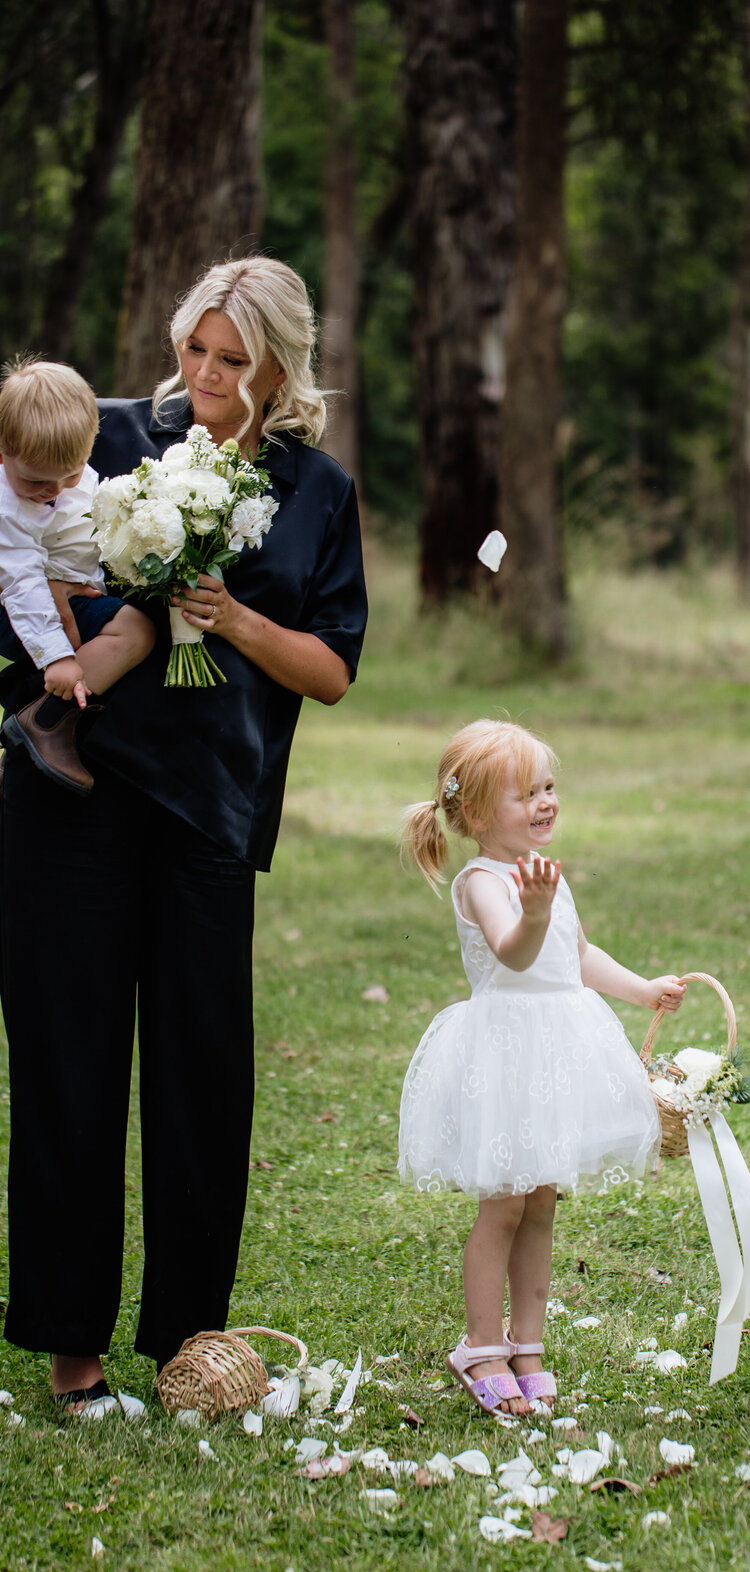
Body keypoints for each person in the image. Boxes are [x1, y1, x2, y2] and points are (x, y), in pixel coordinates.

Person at [0, 257, 368, 1415]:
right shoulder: (107, 436)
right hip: (76, 794)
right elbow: (18, 544)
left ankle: (190, 1351)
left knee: (203, 1077)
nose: (204, 377)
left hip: (215, 809)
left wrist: (232, 616)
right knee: (69, 1062)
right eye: (196, 350)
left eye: (233, 359)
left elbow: (334, 671)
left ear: (280, 365)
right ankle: (73, 1358)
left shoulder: (318, 491)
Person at [398, 720, 686, 1418]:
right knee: (503, 1205)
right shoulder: (483, 883)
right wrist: (532, 909)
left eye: (548, 786)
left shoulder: (543, 875)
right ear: (474, 814)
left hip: (557, 1053)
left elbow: (576, 955)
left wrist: (642, 989)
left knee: (543, 1203)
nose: (545, 802)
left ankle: (528, 1344)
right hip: (506, 1058)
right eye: (525, 794)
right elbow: (515, 952)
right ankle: (480, 1344)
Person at [0, 357, 156, 792]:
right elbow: (22, 586)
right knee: (135, 632)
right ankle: (44, 720)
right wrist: (57, 656)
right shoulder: (7, 510)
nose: (52, 492)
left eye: (70, 475)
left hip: (60, 594)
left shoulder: (58, 473)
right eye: (35, 482)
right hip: (19, 608)